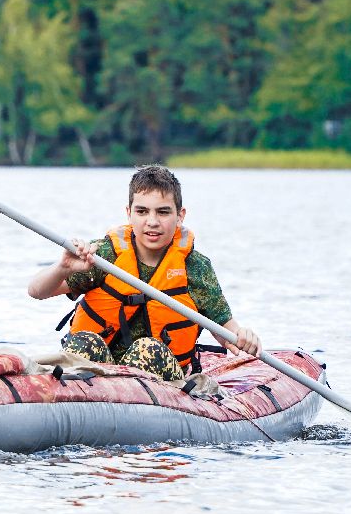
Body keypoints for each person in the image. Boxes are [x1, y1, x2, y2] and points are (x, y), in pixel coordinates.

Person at [26, 164, 261, 383]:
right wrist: (62, 268)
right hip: (100, 374)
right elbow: (36, 291)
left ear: (180, 216)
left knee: (148, 349)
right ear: (129, 213)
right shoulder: (104, 255)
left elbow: (226, 331)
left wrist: (243, 336)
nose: (152, 222)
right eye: (142, 211)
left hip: (160, 380)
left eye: (163, 212)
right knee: (85, 342)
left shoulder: (195, 266)